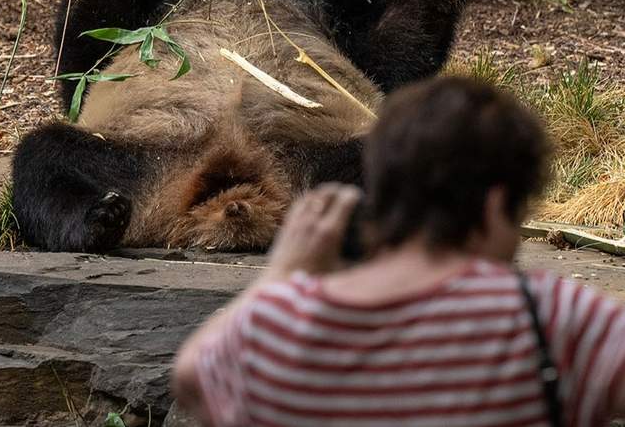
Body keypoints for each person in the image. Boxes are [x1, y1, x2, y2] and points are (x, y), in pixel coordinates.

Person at [173, 75, 625, 427]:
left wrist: (280, 275)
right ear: (495, 202)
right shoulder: (550, 317)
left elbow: (192, 375)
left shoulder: (282, 323)